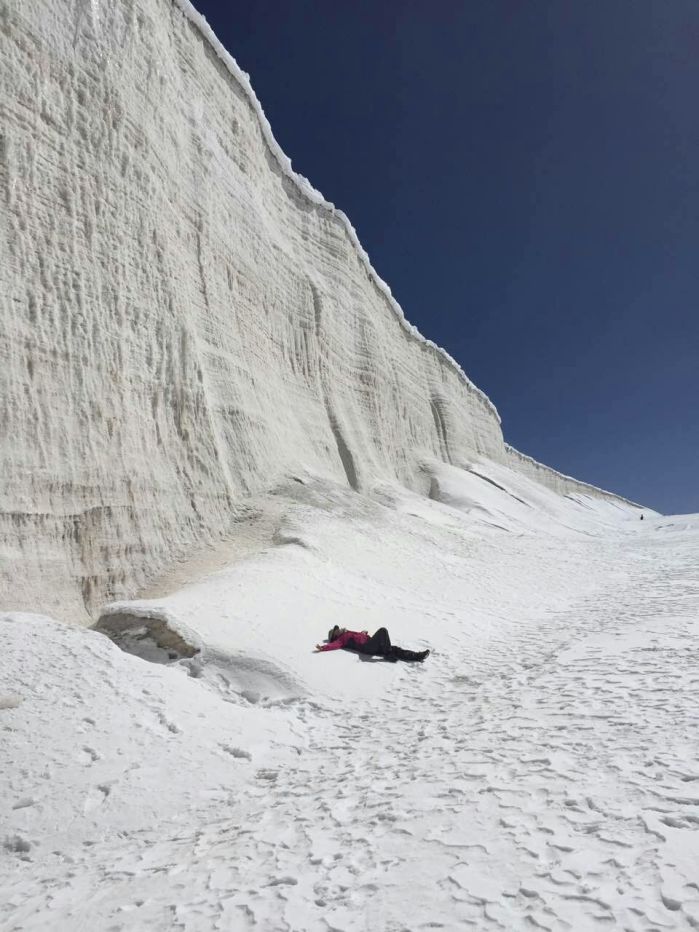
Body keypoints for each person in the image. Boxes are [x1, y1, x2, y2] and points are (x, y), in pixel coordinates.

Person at [315, 625, 429, 662]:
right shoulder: (341, 639)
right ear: (335, 635)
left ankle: (418, 656)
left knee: (396, 649)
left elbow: (357, 638)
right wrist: (323, 648)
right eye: (337, 630)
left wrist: (363, 634)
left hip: (371, 644)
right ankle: (388, 654)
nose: (339, 629)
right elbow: (334, 645)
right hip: (367, 647)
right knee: (383, 631)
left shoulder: (347, 633)